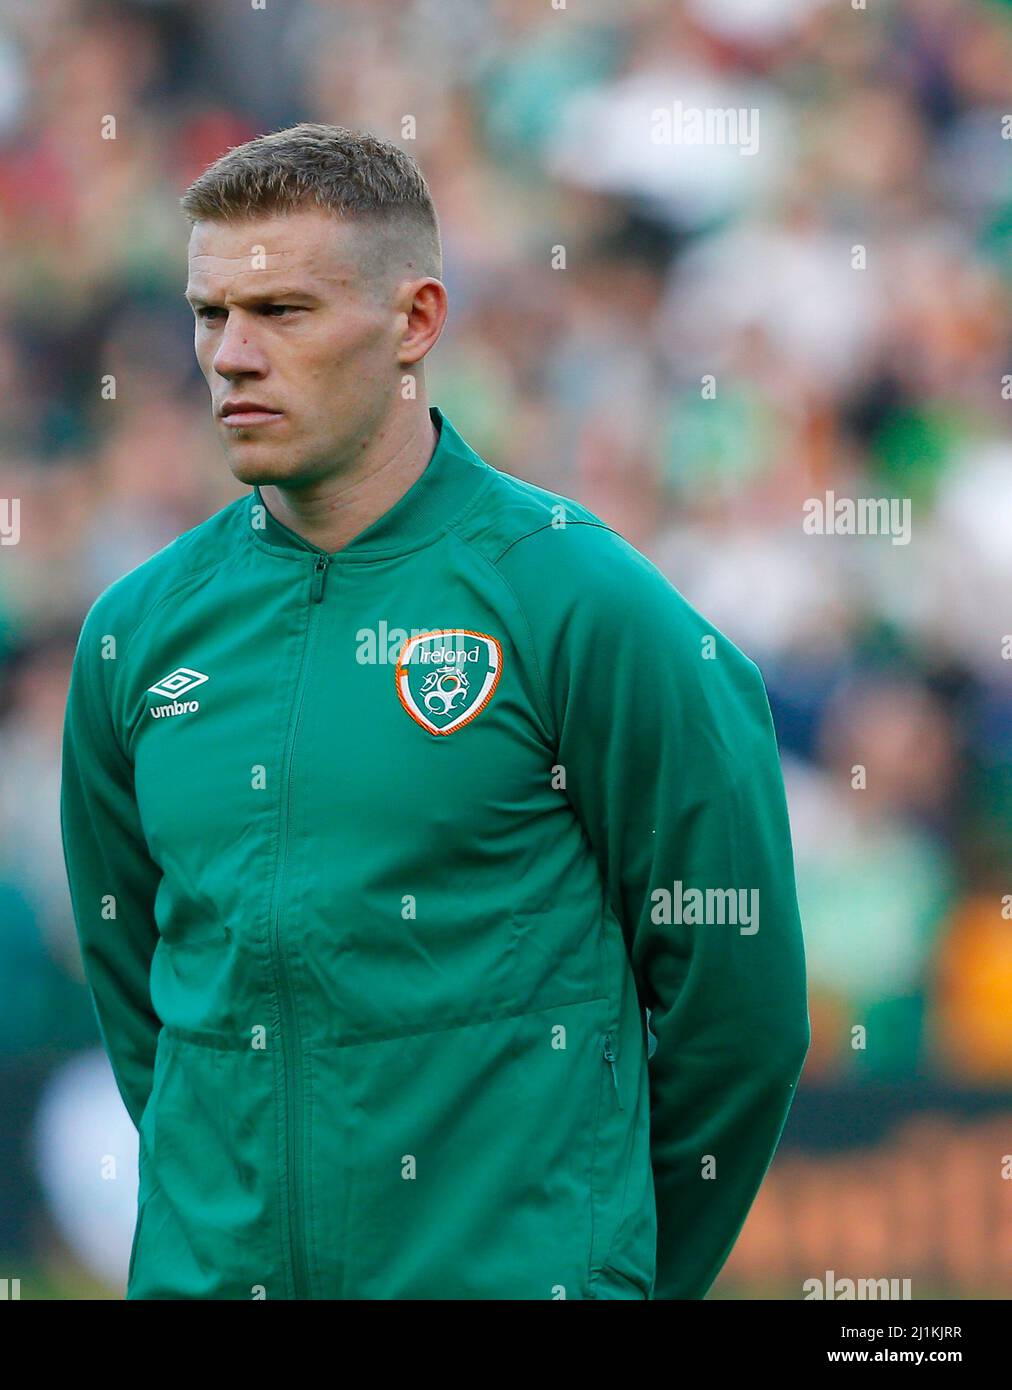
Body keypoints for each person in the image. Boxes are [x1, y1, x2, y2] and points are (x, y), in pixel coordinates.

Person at [59, 121, 810, 1300]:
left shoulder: (579, 599)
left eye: (286, 312)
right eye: (211, 315)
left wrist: (607, 1273)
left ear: (414, 322)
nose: (232, 356)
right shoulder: (135, 633)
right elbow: (141, 1000)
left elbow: (741, 1015)